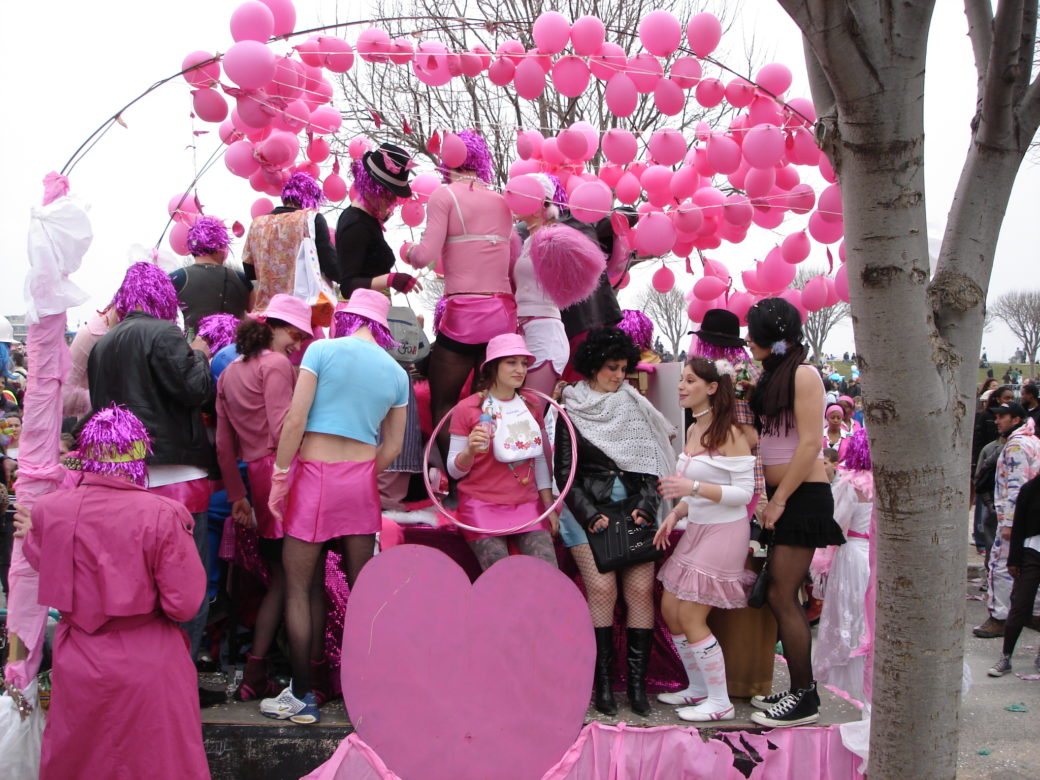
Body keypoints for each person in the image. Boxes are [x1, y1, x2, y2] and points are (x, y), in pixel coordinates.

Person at [12, 405, 209, 779]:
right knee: (157, 764)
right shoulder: (163, 513)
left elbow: (43, 561)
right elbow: (184, 604)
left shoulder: (49, 510)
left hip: (79, 660)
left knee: (82, 761)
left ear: (84, 454)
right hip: (147, 659)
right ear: (140, 454)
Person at [261, 289, 408, 724]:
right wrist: (362, 473)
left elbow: (295, 419)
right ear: (380, 327)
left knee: (300, 588)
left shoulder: (321, 351)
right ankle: (371, 693)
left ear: (348, 318)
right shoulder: (396, 372)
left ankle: (302, 696)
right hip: (360, 483)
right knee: (365, 592)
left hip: (313, 477)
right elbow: (394, 445)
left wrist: (281, 475)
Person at [87, 262, 219, 705]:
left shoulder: (102, 345)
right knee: (185, 584)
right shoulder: (165, 335)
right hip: (175, 477)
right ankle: (178, 677)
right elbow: (195, 389)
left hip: (122, 477)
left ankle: (143, 679)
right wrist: (199, 351)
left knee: (135, 586)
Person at [554, 326, 676, 717]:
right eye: (611, 368)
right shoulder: (569, 409)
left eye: (623, 368)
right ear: (592, 367)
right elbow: (564, 474)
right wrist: (590, 516)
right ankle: (603, 686)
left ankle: (636, 689)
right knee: (602, 592)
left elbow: (654, 464)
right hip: (586, 513)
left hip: (636, 510)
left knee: (639, 592)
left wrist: (647, 503)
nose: (619, 376)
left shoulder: (634, 404)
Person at [744, 297, 845, 728]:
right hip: (787, 494)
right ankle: (799, 688)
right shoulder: (776, 373)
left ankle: (805, 697)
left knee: (781, 595)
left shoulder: (804, 374)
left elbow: (809, 445)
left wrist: (780, 498)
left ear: (770, 336)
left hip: (803, 495)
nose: (748, 340)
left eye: (753, 333)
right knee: (781, 595)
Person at [215, 295, 312, 701]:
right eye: (297, 334)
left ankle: (256, 671)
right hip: (283, 473)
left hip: (254, 477)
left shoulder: (229, 373)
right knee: (297, 583)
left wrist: (238, 496)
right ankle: (301, 676)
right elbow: (281, 429)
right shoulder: (275, 366)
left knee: (280, 580)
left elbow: (224, 445)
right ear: (278, 327)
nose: (300, 343)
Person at [653, 357, 755, 722]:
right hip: (696, 528)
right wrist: (677, 514)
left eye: (690, 380)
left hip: (725, 531)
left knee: (691, 614)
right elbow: (692, 492)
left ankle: (720, 701)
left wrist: (692, 487)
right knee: (670, 608)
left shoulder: (731, 433)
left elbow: (744, 493)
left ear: (712, 388)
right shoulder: (695, 428)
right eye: (681, 379)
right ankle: (698, 688)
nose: (681, 386)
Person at [402, 130, 515, 454]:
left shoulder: (445, 195)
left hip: (465, 314)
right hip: (503, 315)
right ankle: (493, 480)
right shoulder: (502, 200)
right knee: (495, 404)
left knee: (444, 404)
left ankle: (461, 478)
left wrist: (408, 250)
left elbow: (425, 256)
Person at [446, 333, 559, 569]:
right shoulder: (466, 409)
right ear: (492, 367)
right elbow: (453, 472)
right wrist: (469, 451)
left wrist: (548, 507)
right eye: (511, 362)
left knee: (548, 574)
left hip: (527, 505)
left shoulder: (531, 405)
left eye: (524, 363)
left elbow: (538, 458)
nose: (520, 369)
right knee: (499, 577)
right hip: (481, 505)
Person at [510, 174, 605, 397]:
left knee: (534, 411)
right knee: (524, 413)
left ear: (537, 204)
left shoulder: (553, 240)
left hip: (544, 333)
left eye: (522, 194)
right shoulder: (526, 241)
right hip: (524, 331)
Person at [814, 429, 873, 702]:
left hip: (851, 555)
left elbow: (835, 523)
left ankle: (847, 683)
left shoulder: (850, 484)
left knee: (846, 617)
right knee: (867, 619)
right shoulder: (889, 484)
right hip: (875, 555)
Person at [975, 402, 1040, 638]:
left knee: (1000, 568)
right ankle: (1029, 613)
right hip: (1031, 519)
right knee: (1028, 565)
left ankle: (1000, 617)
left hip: (1014, 520)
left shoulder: (1016, 445)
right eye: (997, 417)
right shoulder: (1032, 441)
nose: (997, 420)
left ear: (1016, 419)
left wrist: (1010, 523)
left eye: (1002, 417)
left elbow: (1016, 485)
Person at [334, 142, 420, 297]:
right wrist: (390, 279)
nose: (393, 199)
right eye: (388, 192)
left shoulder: (367, 220)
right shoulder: (356, 224)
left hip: (374, 310)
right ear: (373, 186)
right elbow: (347, 286)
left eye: (395, 194)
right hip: (359, 316)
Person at [242, 172, 338, 310]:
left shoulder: (257, 224)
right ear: (310, 198)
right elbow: (331, 266)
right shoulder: (310, 219)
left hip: (267, 311)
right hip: (301, 312)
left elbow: (249, 270)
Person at [989, 470, 1040, 675]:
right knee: (1020, 605)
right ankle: (1006, 657)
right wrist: (1014, 561)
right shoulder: (1030, 489)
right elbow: (1018, 526)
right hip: (1031, 553)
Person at [170, 215, 252, 336]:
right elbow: (255, 316)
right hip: (236, 350)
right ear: (221, 245)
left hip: (192, 350)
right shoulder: (243, 280)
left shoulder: (177, 278)